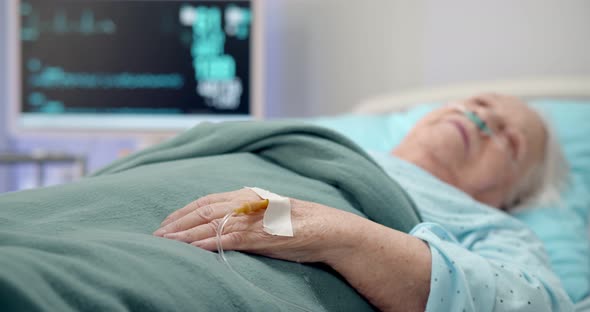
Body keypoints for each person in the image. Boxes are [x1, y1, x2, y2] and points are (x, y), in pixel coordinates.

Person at [153, 93, 573, 312]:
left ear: (511, 198)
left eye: (509, 140)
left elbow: (534, 304)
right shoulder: (313, 144)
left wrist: (327, 230)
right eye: (479, 103)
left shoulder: (497, 229)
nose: (482, 118)